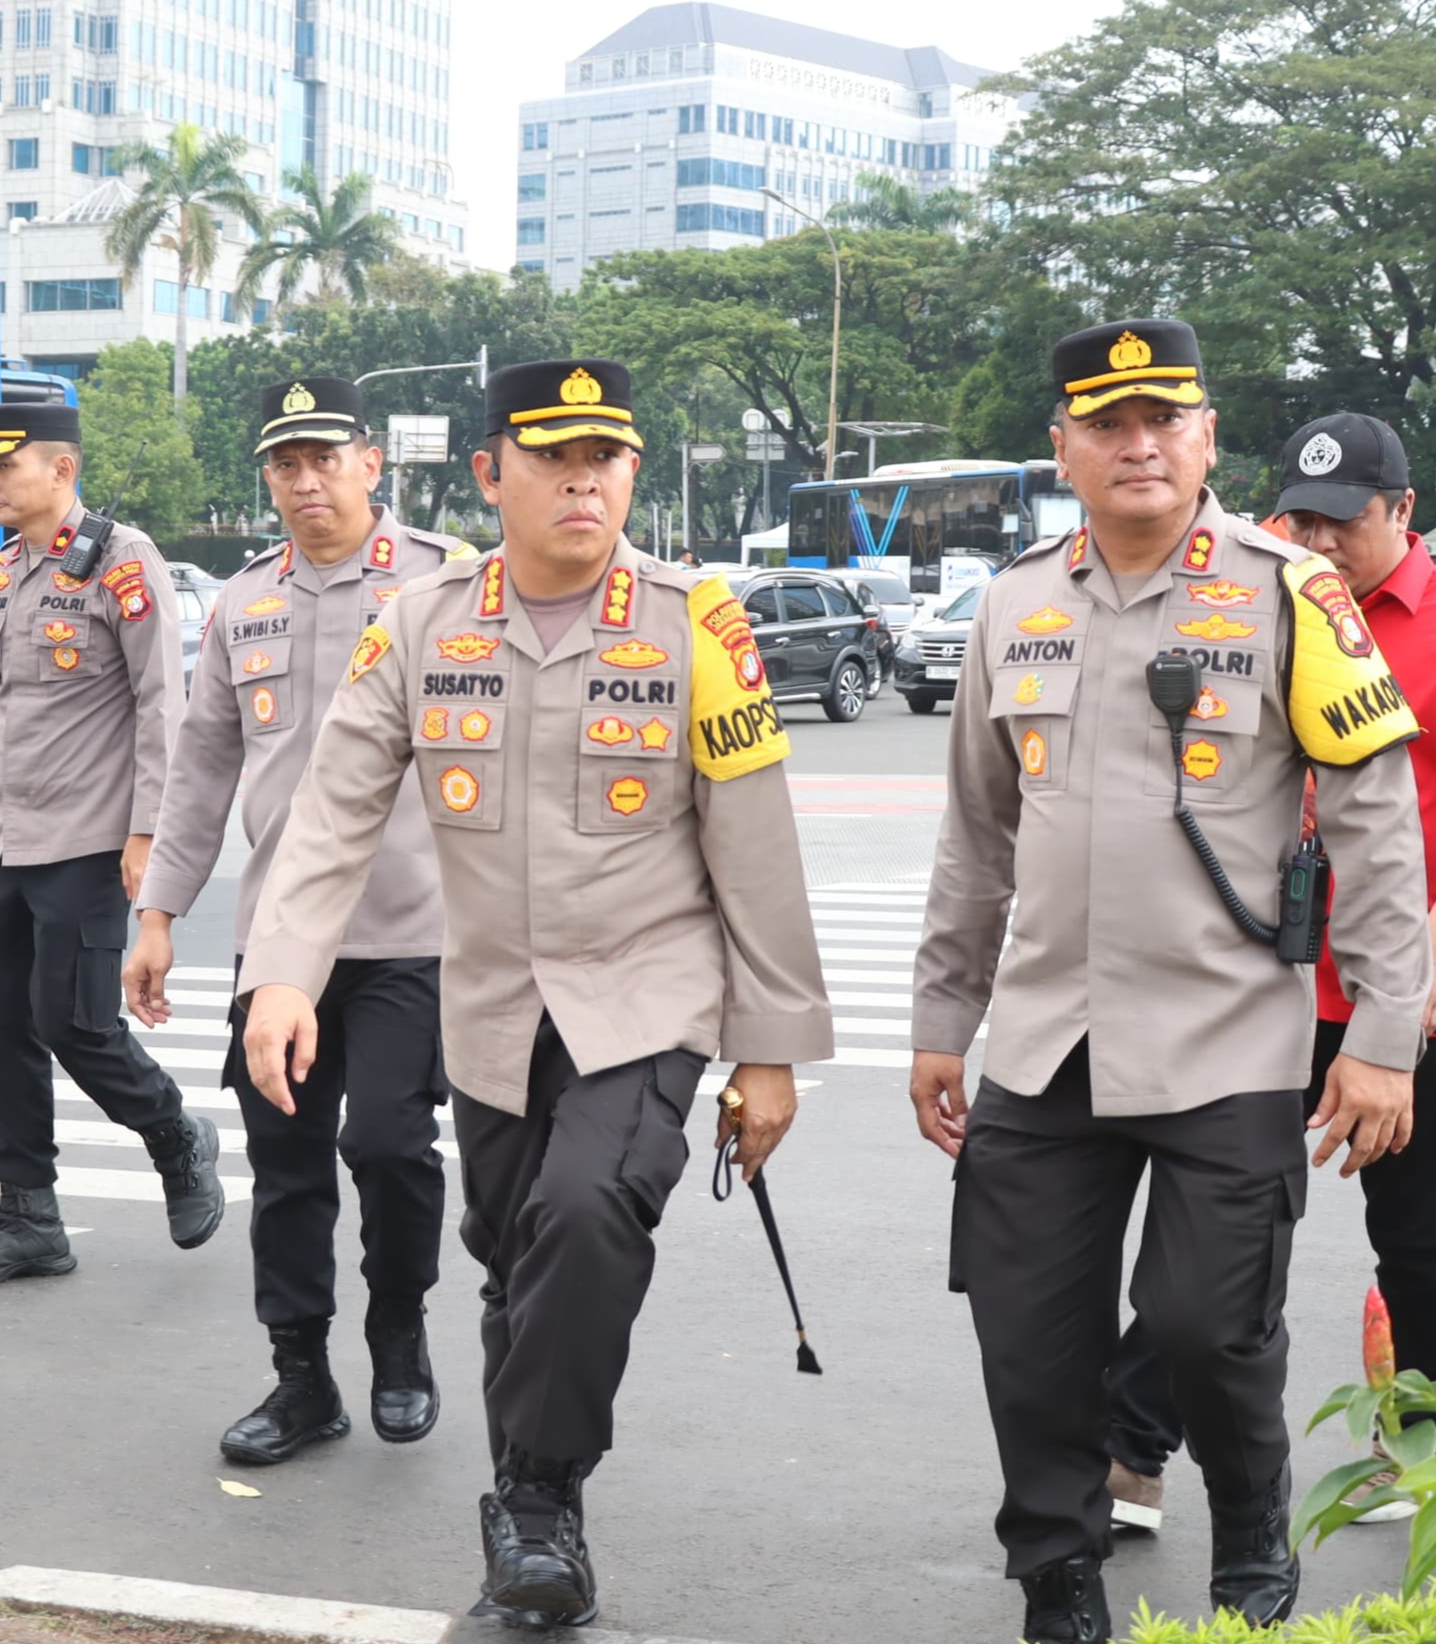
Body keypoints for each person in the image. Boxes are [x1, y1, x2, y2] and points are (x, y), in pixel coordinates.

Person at [235, 359, 832, 1629]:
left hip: (647, 994)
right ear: (489, 473)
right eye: (554, 457)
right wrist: (283, 976)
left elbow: (756, 843)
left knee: (588, 1207)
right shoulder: (421, 622)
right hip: (493, 1005)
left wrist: (768, 1050)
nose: (583, 479)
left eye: (605, 457)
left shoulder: (695, 622)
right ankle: (526, 1493)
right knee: (515, 1257)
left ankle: (544, 1496)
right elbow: (333, 815)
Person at [910, 322, 1434, 1644]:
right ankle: (1058, 1576)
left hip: (1228, 1042)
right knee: (1029, 1339)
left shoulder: (1292, 595)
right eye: (1108, 424)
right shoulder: (1010, 603)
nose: (1137, 446)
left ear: (1206, 439)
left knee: (1208, 1323)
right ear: (1064, 449)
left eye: (1164, 421)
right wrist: (940, 1022)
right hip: (1045, 1043)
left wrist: (1381, 1036)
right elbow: (977, 837)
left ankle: (1250, 1512)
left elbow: (1376, 825)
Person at [1098, 412, 1436, 1533]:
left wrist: (1406, 981)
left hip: (1414, 994)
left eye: (1340, 521)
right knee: (1222, 1223)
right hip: (1262, 980)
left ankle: (1415, 1440)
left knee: (1416, 1234)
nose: (1315, 539)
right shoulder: (1246, 606)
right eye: (1295, 517)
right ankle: (1131, 1453)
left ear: (1402, 512)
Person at [125, 377, 462, 1463]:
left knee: (390, 1144)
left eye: (325, 458)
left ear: (372, 463)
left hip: (414, 928)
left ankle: (399, 1329)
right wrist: (159, 912)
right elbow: (201, 770)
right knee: (287, 1164)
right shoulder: (243, 600)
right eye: (285, 464)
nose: (306, 481)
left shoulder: (446, 583)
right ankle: (301, 1377)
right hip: (278, 943)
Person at [0, 402, 223, 1285]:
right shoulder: (4, 570)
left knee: (73, 1021)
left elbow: (163, 704)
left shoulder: (125, 562)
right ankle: (27, 1215)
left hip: (91, 839)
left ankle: (173, 1133)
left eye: (4, 467)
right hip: (5, 836)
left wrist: (147, 833)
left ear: (61, 469)